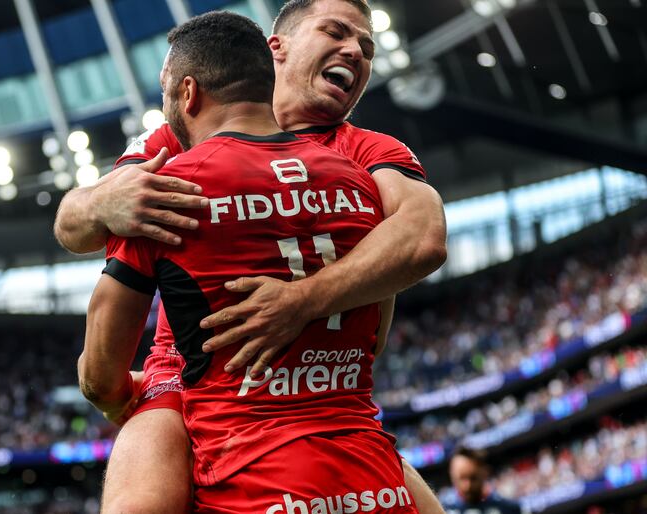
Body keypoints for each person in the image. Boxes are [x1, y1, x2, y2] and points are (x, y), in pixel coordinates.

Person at [60, 0, 447, 511]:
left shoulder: (370, 149)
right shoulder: (178, 139)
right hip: (193, 377)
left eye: (367, 47)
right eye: (335, 32)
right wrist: (102, 200)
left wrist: (299, 302)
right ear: (275, 49)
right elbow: (73, 224)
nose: (354, 50)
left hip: (321, 386)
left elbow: (424, 237)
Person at [444, 447, 523, 514]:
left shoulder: (507, 508)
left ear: (485, 473)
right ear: (451, 475)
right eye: (461, 478)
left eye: (473, 478)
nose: (468, 486)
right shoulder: (443, 509)